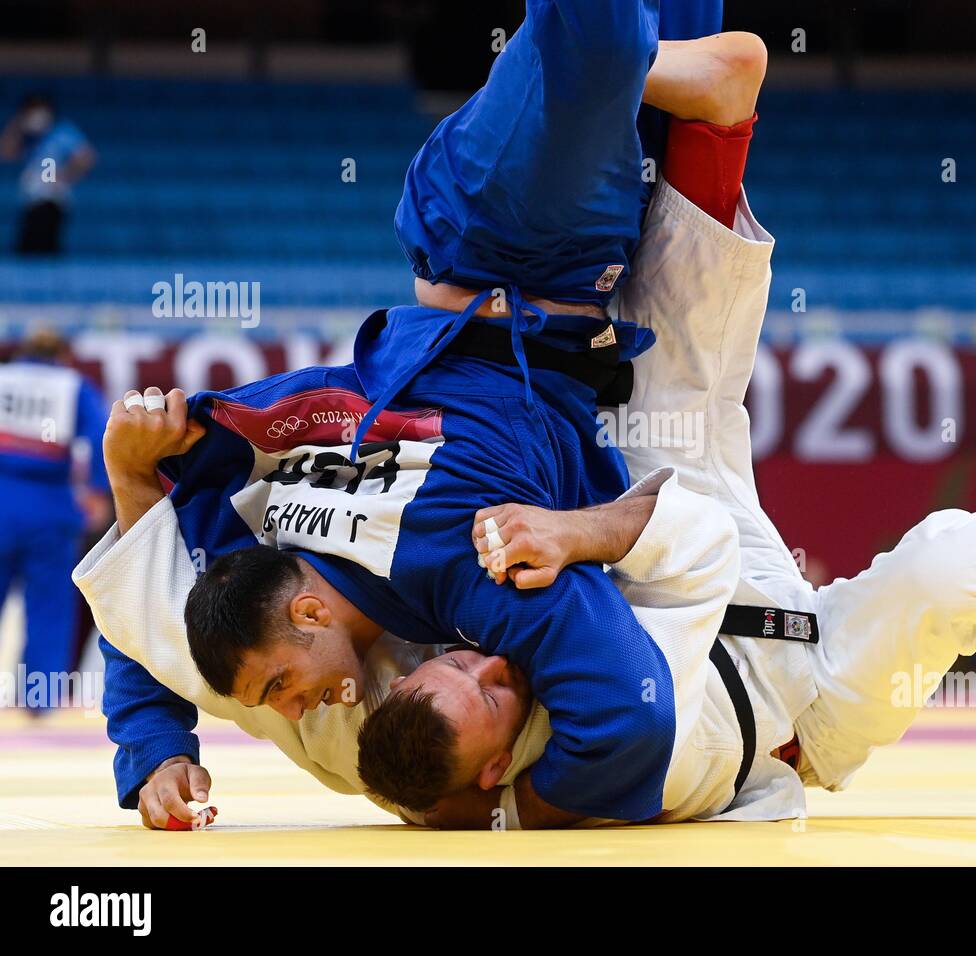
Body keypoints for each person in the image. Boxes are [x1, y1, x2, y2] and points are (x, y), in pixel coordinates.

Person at [90, 7, 768, 829]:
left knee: (609, 50)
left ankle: (661, 75)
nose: (290, 710)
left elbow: (147, 612)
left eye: (279, 688)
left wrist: (154, 744)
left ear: (303, 609)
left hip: (467, 246)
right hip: (531, 250)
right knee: (588, 40)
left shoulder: (255, 551)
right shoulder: (466, 567)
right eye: (277, 694)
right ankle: (639, 70)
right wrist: (507, 812)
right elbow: (628, 719)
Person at [0, 327, 109, 713]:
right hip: (49, 505)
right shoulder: (72, 386)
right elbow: (100, 436)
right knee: (48, 607)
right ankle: (40, 699)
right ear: (62, 355)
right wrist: (98, 491)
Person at [0, 93, 95, 254]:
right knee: (26, 246)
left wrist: (65, 175)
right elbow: (6, 152)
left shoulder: (62, 131)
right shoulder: (25, 135)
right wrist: (18, 125)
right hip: (30, 197)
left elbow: (87, 157)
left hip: (53, 198)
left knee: (46, 244)